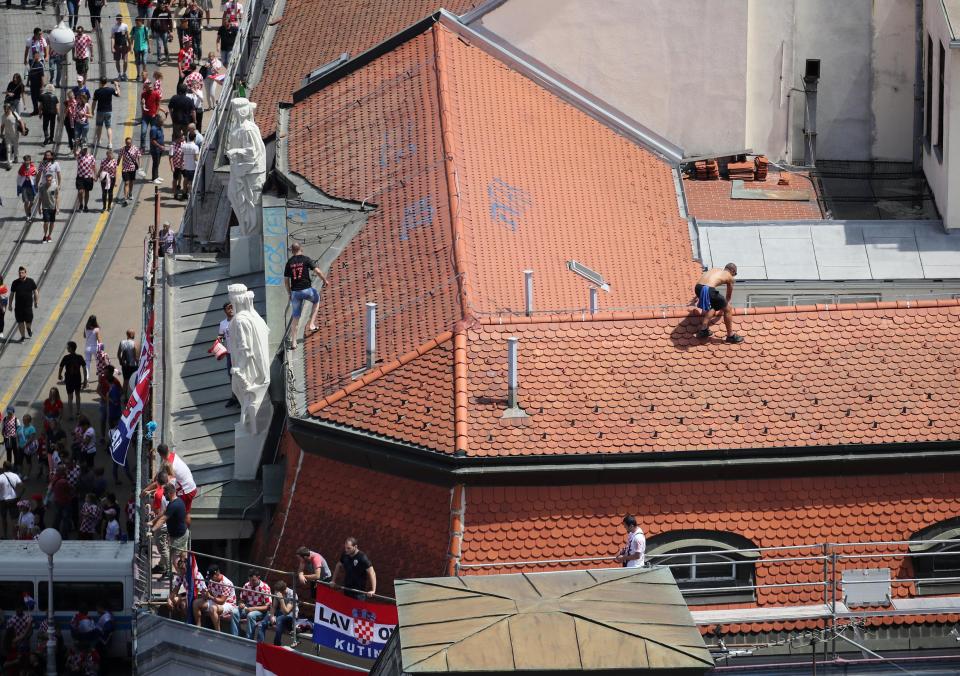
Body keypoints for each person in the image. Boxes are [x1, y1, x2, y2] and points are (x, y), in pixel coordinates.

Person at [284, 242, 330, 349]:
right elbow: (317, 271)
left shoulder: (289, 263)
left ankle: (294, 342)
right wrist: (325, 280)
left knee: (295, 317)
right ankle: (312, 324)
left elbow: (286, 281)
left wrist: (289, 293)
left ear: (292, 251)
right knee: (316, 299)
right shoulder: (306, 259)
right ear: (301, 249)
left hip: (295, 292)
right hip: (307, 290)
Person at [694, 263, 744, 343]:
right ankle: (730, 336)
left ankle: (704, 330)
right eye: (735, 274)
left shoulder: (715, 269)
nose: (734, 276)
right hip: (708, 290)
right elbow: (728, 297)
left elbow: (705, 283)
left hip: (698, 288)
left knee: (714, 304)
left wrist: (697, 297)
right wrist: (725, 306)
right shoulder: (730, 277)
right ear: (732, 271)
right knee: (728, 308)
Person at [151, 483, 189, 566]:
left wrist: (152, 530)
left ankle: (181, 576)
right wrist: (153, 521)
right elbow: (164, 512)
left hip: (178, 537)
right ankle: (183, 574)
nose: (164, 496)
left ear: (170, 493)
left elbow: (163, 519)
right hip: (182, 533)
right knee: (182, 557)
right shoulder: (177, 501)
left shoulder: (174, 505)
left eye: (165, 494)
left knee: (175, 561)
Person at [156, 444, 197, 512]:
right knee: (186, 513)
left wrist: (147, 490)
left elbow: (161, 481)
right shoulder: (173, 455)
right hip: (192, 487)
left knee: (175, 512)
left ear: (160, 455)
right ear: (168, 450)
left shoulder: (170, 468)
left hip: (186, 492)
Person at [202, 566, 239, 634]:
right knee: (196, 603)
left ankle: (218, 633)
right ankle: (198, 628)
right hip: (215, 600)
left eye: (211, 576)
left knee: (212, 609)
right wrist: (205, 594)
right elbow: (209, 594)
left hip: (228, 604)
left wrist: (209, 597)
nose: (210, 578)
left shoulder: (227, 583)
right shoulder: (211, 580)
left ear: (217, 574)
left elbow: (222, 601)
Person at [218, 301, 240, 407]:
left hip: (240, 352)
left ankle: (243, 398)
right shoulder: (223, 324)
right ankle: (234, 397)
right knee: (231, 375)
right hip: (230, 354)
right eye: (228, 308)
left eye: (232, 307)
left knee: (241, 375)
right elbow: (221, 336)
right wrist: (219, 342)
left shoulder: (238, 320)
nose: (231, 310)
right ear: (225, 311)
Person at [263, 580, 297, 646]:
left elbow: (286, 612)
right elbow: (274, 607)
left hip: (291, 615)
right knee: (264, 621)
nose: (276, 593)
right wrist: (272, 615)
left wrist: (281, 599)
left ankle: (277, 644)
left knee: (279, 620)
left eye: (278, 592)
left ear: (283, 591)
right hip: (280, 613)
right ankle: (260, 643)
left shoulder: (292, 594)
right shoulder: (277, 592)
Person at [239, 571, 271, 642]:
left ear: (258, 578)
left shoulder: (265, 588)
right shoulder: (247, 585)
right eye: (249, 580)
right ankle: (235, 636)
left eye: (253, 580)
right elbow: (242, 599)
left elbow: (267, 607)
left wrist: (253, 608)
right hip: (248, 607)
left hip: (260, 610)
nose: (251, 582)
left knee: (251, 615)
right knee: (235, 612)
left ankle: (249, 640)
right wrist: (241, 604)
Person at [59, 341, 88, 417]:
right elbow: (84, 369)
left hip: (69, 380)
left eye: (68, 347)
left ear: (71, 348)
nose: (67, 348)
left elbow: (61, 367)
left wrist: (59, 375)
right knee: (77, 395)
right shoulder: (80, 357)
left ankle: (70, 414)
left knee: (70, 397)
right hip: (77, 379)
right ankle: (78, 412)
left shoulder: (66, 357)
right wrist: (85, 380)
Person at [10, 266, 38, 341]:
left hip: (28, 307)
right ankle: (22, 336)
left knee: (29, 321)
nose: (20, 274)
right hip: (18, 307)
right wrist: (9, 305)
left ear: (26, 273)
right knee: (20, 322)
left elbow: (35, 292)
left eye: (22, 273)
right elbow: (12, 294)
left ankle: (28, 328)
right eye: (19, 273)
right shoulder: (15, 283)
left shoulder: (30, 281)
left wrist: (36, 301)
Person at [92, 79, 120, 149]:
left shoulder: (97, 91)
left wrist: (92, 110)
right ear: (106, 82)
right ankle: (110, 143)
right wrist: (116, 85)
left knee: (99, 126)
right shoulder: (110, 90)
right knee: (108, 127)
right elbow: (118, 94)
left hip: (100, 111)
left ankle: (98, 141)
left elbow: (94, 102)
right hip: (108, 111)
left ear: (101, 83)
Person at [0, 462, 23, 539]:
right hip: (13, 499)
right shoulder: (15, 475)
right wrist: (19, 496)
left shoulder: (1, 477)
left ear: (4, 467)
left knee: (4, 518)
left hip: (3, 500)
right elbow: (23, 487)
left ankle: (5, 535)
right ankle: (15, 536)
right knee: (14, 519)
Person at [140, 79, 162, 152]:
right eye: (149, 88)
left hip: (153, 116)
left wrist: (156, 114)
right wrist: (142, 103)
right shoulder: (143, 94)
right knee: (143, 132)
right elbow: (142, 104)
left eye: (151, 88)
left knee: (153, 133)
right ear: (146, 88)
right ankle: (142, 147)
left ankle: (152, 148)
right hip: (145, 116)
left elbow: (158, 105)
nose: (150, 89)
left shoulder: (156, 94)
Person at [119, 137, 142, 205]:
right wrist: (116, 164)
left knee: (131, 182)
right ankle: (125, 198)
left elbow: (139, 156)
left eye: (129, 143)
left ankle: (130, 193)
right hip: (125, 169)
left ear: (131, 143)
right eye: (127, 143)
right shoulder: (122, 149)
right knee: (126, 183)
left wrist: (140, 165)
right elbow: (119, 157)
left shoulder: (135, 148)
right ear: (125, 143)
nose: (128, 144)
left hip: (132, 168)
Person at [75, 145, 96, 212]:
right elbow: (74, 152)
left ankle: (86, 205)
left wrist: (95, 175)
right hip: (80, 177)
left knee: (87, 191)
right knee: (80, 191)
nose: (85, 150)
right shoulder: (79, 156)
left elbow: (93, 166)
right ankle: (81, 204)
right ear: (81, 149)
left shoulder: (91, 157)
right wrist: (76, 144)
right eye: (83, 149)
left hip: (88, 177)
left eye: (86, 149)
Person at [16, 156, 37, 222]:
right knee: (26, 201)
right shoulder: (21, 168)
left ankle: (28, 209)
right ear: (24, 161)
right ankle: (28, 216)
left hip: (31, 187)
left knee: (32, 202)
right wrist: (19, 186)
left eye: (28, 160)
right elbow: (19, 178)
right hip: (24, 187)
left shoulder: (33, 168)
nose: (27, 162)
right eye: (25, 160)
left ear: (30, 160)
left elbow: (36, 176)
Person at [117, 329, 138, 394]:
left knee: (125, 381)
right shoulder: (134, 343)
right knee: (134, 381)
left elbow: (118, 354)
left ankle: (124, 396)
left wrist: (121, 361)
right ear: (132, 335)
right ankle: (133, 396)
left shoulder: (122, 342)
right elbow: (135, 356)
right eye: (134, 334)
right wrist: (138, 364)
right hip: (133, 365)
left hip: (125, 366)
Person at [111, 16, 131, 81]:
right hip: (117, 46)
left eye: (121, 19)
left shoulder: (125, 26)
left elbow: (128, 36)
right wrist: (112, 47)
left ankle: (124, 74)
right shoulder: (114, 27)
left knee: (125, 60)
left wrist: (130, 45)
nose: (120, 20)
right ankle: (119, 74)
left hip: (124, 45)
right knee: (117, 60)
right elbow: (113, 38)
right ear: (117, 20)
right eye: (119, 19)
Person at [181, 131, 200, 198]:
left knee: (185, 179)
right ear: (194, 138)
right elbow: (196, 158)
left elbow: (181, 156)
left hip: (185, 166)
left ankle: (184, 192)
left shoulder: (184, 145)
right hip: (192, 167)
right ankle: (189, 195)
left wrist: (181, 164)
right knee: (190, 181)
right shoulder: (195, 147)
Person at [149, 113, 166, 183]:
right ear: (158, 122)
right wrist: (160, 146)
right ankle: (154, 178)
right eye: (161, 122)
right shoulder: (153, 129)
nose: (162, 124)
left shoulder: (160, 127)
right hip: (155, 149)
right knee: (155, 163)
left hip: (160, 149)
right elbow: (153, 140)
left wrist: (163, 145)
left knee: (158, 163)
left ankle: (156, 176)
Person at [132, 17, 150, 81]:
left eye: (137, 22)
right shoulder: (134, 29)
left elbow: (147, 38)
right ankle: (138, 75)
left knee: (144, 61)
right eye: (136, 22)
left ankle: (144, 76)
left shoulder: (145, 28)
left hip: (144, 47)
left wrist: (149, 46)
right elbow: (132, 38)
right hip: (136, 48)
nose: (136, 24)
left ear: (141, 21)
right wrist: (131, 48)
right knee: (137, 62)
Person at [168, 128, 184, 196]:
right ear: (178, 138)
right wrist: (172, 167)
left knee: (182, 176)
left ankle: (179, 186)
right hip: (176, 165)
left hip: (183, 165)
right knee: (175, 179)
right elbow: (170, 157)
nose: (183, 137)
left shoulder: (184, 143)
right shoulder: (173, 146)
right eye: (181, 137)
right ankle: (174, 192)